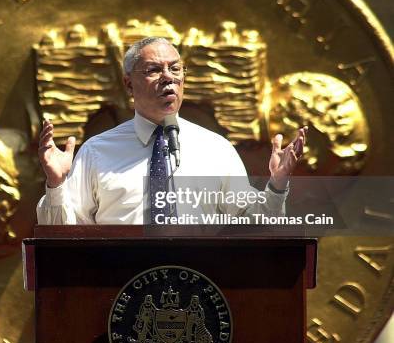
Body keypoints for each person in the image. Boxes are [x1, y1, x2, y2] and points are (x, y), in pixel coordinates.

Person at [36, 36, 307, 224]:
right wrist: (56, 184)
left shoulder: (216, 149)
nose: (169, 77)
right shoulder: (97, 151)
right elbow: (63, 233)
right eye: (154, 70)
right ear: (129, 85)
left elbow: (255, 224)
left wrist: (277, 184)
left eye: (176, 69)